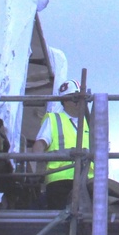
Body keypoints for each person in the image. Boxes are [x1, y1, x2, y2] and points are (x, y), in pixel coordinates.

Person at [31, 79, 95, 210]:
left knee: (91, 221)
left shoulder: (91, 123)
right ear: (65, 100)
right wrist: (39, 166)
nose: (80, 102)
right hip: (60, 181)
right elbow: (39, 146)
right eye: (76, 98)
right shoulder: (54, 119)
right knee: (65, 221)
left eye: (81, 98)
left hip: (89, 180)